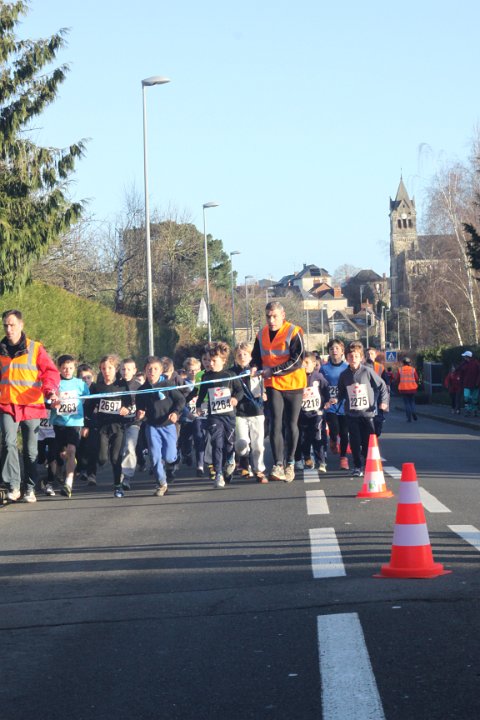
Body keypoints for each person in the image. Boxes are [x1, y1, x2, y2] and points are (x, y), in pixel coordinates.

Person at [0, 309, 60, 503]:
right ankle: (13, 485)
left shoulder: (35, 348)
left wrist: (50, 391)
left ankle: (30, 488)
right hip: (7, 404)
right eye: (5, 325)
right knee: (8, 442)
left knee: (30, 450)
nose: (9, 329)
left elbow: (50, 372)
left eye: (12, 325)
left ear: (21, 325)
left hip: (31, 405)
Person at [251, 301, 306, 483]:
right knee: (275, 422)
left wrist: (272, 370)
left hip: (293, 383)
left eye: (274, 316)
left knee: (291, 424)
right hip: (273, 384)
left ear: (283, 315)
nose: (271, 320)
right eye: (268, 316)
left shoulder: (294, 331)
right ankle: (278, 464)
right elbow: (256, 357)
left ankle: (290, 462)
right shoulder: (261, 334)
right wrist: (254, 366)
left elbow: (297, 360)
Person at [336, 341, 389, 477]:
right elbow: (340, 392)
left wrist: (384, 402)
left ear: (361, 358)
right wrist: (335, 399)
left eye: (356, 356)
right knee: (354, 441)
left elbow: (382, 386)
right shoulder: (344, 375)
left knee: (367, 441)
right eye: (350, 356)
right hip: (351, 414)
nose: (353, 359)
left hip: (367, 414)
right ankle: (357, 466)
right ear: (346, 358)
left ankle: (366, 463)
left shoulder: (367, 371)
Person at [135, 355, 186, 497]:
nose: (152, 371)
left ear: (161, 370)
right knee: (155, 456)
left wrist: (175, 413)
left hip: (168, 424)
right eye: (149, 369)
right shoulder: (142, 390)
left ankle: (175, 458)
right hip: (152, 426)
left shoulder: (167, 385)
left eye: (155, 369)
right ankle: (161, 483)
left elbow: (181, 400)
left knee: (169, 457)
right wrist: (140, 415)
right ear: (145, 370)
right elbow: (140, 410)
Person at [196, 341, 244, 488]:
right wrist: (198, 406)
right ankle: (218, 474)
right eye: (208, 360)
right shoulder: (206, 377)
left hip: (229, 415)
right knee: (216, 443)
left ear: (223, 360)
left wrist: (235, 399)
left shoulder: (230, 375)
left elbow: (240, 391)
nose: (210, 363)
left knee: (229, 444)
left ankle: (230, 460)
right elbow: (201, 393)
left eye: (214, 360)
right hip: (214, 416)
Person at [90, 354, 131, 498]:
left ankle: (117, 486)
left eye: (110, 368)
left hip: (118, 427)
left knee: (115, 458)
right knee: (102, 459)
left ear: (116, 369)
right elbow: (89, 405)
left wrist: (126, 409)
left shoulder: (122, 385)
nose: (106, 371)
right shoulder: (97, 387)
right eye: (103, 368)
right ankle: (94, 466)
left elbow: (129, 403)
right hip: (102, 427)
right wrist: (86, 423)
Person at [49, 355, 90, 498]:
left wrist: (80, 411)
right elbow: (48, 400)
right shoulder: (55, 383)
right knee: (61, 455)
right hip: (59, 423)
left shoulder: (80, 384)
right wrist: (53, 403)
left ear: (74, 368)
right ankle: (64, 467)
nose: (67, 371)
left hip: (74, 423)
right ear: (59, 368)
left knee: (71, 450)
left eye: (71, 368)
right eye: (64, 368)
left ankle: (68, 483)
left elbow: (87, 399)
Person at [230, 342, 267, 483]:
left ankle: (259, 470)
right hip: (240, 412)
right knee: (241, 444)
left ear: (251, 356)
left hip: (257, 411)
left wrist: (265, 393)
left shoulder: (258, 370)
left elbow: (265, 383)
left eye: (245, 354)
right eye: (239, 354)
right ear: (235, 357)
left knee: (258, 445)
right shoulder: (231, 373)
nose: (242, 356)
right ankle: (244, 461)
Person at [294, 351, 330, 473]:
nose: (304, 365)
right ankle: (307, 457)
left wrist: (327, 402)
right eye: (302, 363)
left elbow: (326, 390)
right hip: (302, 413)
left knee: (317, 435)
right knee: (303, 438)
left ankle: (321, 461)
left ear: (314, 364)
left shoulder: (318, 377)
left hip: (316, 413)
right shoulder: (298, 376)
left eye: (307, 362)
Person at [320, 339, 350, 471]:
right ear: (329, 352)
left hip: (345, 405)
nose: (334, 351)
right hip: (330, 405)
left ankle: (343, 458)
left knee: (344, 433)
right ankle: (332, 438)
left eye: (337, 348)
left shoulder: (347, 367)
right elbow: (320, 386)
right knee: (335, 428)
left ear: (342, 351)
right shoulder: (324, 368)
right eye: (332, 349)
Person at [119, 357, 142, 490]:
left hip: (134, 422)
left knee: (129, 447)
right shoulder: (116, 385)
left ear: (134, 370)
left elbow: (144, 404)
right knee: (118, 450)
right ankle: (118, 475)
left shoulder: (139, 387)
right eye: (123, 369)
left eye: (128, 369)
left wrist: (142, 412)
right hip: (118, 422)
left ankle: (126, 477)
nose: (125, 372)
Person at [365, 347, 390, 436]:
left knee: (378, 418)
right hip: (366, 395)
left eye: (371, 354)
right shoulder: (361, 366)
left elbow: (386, 383)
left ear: (375, 355)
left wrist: (385, 400)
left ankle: (376, 432)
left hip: (378, 396)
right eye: (368, 354)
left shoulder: (380, 367)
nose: (369, 356)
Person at [395, 356, 419, 422]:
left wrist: (398, 385)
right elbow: (417, 378)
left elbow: (397, 379)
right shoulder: (413, 369)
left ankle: (409, 418)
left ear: (403, 363)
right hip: (412, 389)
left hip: (403, 389)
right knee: (412, 402)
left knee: (407, 403)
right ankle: (413, 412)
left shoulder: (400, 370)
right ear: (409, 363)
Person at [458, 350, 480, 417]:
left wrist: (477, 382)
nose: (464, 357)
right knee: (466, 398)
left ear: (468, 357)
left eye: (465, 356)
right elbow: (461, 373)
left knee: (475, 399)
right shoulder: (464, 364)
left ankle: (475, 411)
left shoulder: (476, 363)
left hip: (475, 385)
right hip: (467, 384)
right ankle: (468, 410)